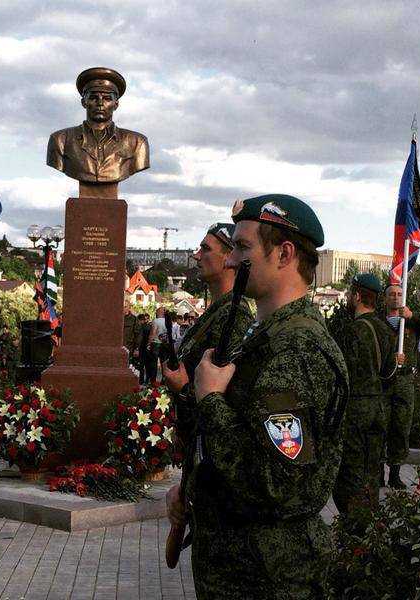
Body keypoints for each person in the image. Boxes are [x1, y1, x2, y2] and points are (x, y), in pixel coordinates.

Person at [168, 195, 349, 599]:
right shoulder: (266, 338)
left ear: (284, 254)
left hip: (268, 577)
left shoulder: (298, 350)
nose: (231, 261)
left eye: (243, 247)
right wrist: (195, 484)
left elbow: (277, 484)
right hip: (242, 567)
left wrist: (211, 400)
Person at [163, 222, 253, 558]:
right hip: (197, 453)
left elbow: (222, 395)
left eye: (205, 249)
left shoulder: (235, 318)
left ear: (230, 257)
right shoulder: (214, 314)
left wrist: (183, 389)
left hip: (215, 464)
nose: (196, 255)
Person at [332, 274, 395, 518]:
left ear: (358, 296)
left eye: (350, 293)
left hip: (355, 410)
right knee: (371, 469)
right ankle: (370, 527)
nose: (348, 297)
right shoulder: (386, 330)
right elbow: (391, 374)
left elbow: (339, 376)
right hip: (377, 407)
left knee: (349, 472)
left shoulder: (352, 331)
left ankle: (354, 530)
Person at [47, 67, 149, 184]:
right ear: (83, 102)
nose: (100, 103)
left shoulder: (137, 143)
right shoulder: (60, 140)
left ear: (116, 104)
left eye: (107, 98)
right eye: (93, 97)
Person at [381, 284, 420, 488]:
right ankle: (378, 474)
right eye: (392, 294)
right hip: (383, 383)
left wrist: (412, 316)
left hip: (405, 382)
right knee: (380, 428)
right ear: (385, 298)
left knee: (401, 428)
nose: (396, 297)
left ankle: (395, 474)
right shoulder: (377, 322)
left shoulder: (410, 322)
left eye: (399, 294)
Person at [123, 299, 142, 366]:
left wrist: (137, 348)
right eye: (122, 306)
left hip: (129, 347)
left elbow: (138, 335)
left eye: (125, 306)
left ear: (129, 307)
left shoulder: (134, 319)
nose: (123, 308)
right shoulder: (116, 318)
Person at [137, 313, 150, 384]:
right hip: (147, 348)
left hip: (141, 347)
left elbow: (139, 338)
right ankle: (147, 379)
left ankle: (141, 380)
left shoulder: (140, 327)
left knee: (141, 365)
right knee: (147, 365)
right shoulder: (149, 327)